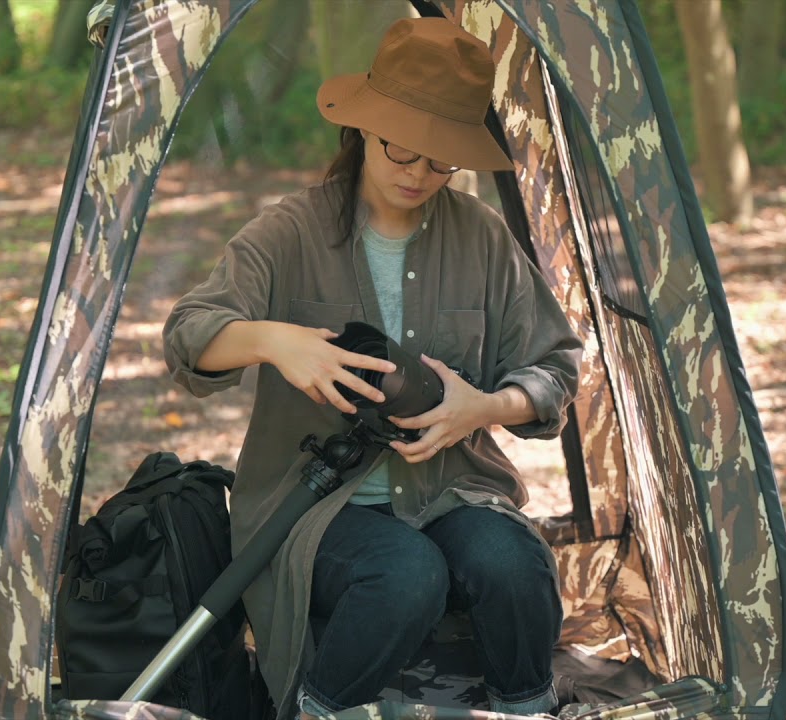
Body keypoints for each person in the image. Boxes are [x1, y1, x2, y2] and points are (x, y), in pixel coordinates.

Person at [163, 17, 581, 720]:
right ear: (361, 127)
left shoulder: (481, 236)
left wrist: (482, 409)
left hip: (451, 489)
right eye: (401, 149)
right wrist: (275, 341)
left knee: (515, 563)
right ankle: (317, 711)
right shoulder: (291, 231)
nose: (418, 174)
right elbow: (188, 335)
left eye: (440, 161)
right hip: (313, 505)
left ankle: (527, 709)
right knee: (405, 574)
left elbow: (556, 367)